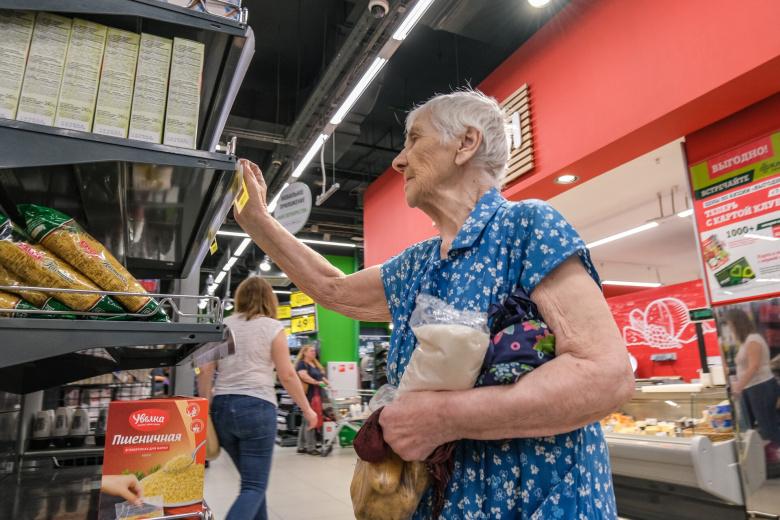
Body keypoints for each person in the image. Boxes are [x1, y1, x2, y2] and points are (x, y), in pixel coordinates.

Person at [233, 89, 635, 519]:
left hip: (537, 502)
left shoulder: (526, 226)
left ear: (466, 143)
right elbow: (333, 289)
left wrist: (445, 417)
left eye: (414, 139)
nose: (398, 160)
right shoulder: (417, 264)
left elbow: (605, 376)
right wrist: (258, 221)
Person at [198, 276, 317, 520]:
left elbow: (206, 370)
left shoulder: (221, 325)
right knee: (254, 486)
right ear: (270, 300)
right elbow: (286, 375)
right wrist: (307, 408)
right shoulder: (273, 327)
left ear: (240, 298)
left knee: (251, 483)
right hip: (257, 407)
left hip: (222, 408)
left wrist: (204, 410)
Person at [725, 308, 780, 464]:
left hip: (761, 386)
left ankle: (775, 455)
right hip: (752, 388)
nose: (730, 329)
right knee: (750, 425)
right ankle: (767, 458)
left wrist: (739, 386)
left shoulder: (753, 339)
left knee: (768, 426)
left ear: (737, 324)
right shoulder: (745, 341)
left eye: (731, 325)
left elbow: (754, 366)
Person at [294, 344, 330, 455]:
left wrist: (328, 383)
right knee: (310, 421)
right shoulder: (302, 364)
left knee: (305, 421)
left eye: (314, 351)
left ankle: (301, 447)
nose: (314, 352)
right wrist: (316, 382)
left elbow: (320, 376)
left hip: (316, 395)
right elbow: (303, 376)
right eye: (311, 351)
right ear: (304, 352)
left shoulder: (314, 364)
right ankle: (310, 448)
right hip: (308, 395)